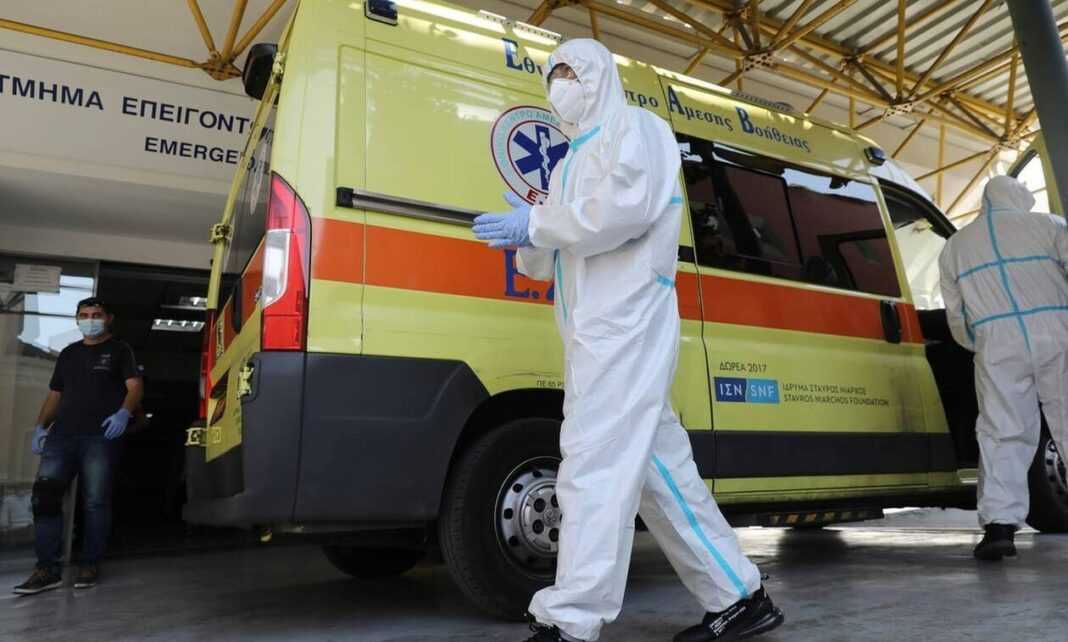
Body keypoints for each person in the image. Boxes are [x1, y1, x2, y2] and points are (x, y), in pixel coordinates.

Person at [473, 39, 784, 642]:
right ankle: (739, 596)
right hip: (594, 334)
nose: (559, 83)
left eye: (569, 71)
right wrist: (528, 233)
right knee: (658, 472)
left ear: (598, 75)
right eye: (552, 74)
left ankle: (571, 619)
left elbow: (625, 209)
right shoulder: (567, 161)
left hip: (627, 324)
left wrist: (537, 221)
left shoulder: (637, 129)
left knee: (592, 465)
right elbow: (554, 255)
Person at [939, 175, 1068, 561]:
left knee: (1001, 432)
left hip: (996, 343)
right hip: (1057, 331)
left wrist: (979, 342)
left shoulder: (955, 246)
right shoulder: (1049, 225)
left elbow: (956, 313)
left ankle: (999, 527)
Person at [14, 297, 143, 594]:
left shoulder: (120, 350)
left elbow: (135, 387)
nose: (90, 320)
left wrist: (123, 413)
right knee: (44, 499)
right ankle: (47, 570)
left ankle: (89, 564)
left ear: (108, 318)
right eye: (84, 315)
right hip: (61, 437)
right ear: (77, 319)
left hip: (99, 437)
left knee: (95, 502)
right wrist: (40, 426)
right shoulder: (69, 354)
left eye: (96, 314)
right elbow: (55, 394)